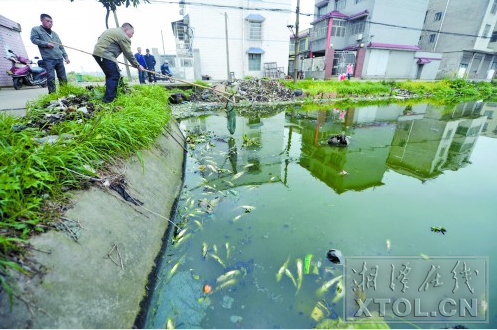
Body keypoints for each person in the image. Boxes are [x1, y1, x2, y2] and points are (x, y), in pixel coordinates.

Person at [93, 23, 144, 103]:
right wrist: (137, 65)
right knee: (114, 76)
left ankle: (117, 93)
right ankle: (108, 101)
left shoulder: (111, 30)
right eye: (132, 33)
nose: (132, 35)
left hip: (97, 53)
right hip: (106, 55)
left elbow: (99, 38)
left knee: (112, 74)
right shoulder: (123, 36)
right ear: (126, 30)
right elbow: (128, 53)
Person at [30, 13, 70, 94]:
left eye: (51, 21)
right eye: (47, 21)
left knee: (63, 77)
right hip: (48, 58)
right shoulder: (36, 29)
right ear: (42, 21)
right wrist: (46, 44)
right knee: (51, 77)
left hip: (59, 58)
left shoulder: (55, 34)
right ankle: (52, 95)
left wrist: (66, 57)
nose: (50, 23)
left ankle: (65, 94)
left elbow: (61, 46)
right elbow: (34, 39)